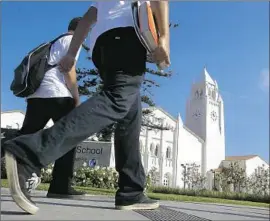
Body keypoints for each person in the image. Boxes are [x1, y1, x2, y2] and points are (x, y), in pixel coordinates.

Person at [4, 1, 170, 215]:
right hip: (127, 36)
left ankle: (132, 190)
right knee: (117, 99)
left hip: (102, 45)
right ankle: (28, 154)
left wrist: (72, 54)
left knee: (130, 116)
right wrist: (164, 37)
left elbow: (87, 19)